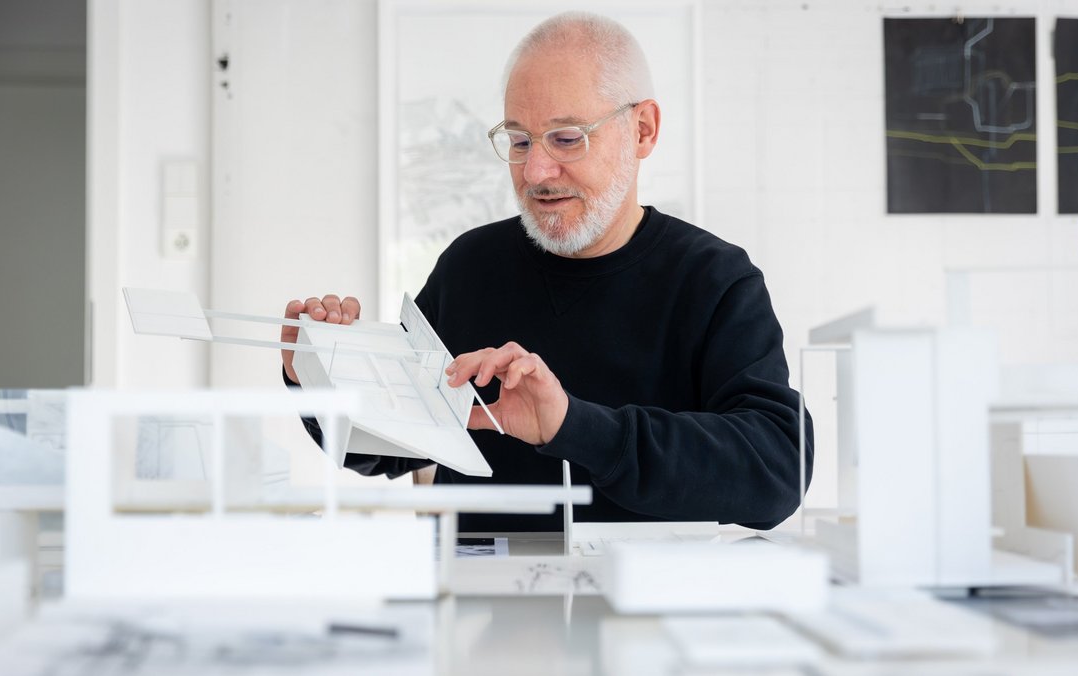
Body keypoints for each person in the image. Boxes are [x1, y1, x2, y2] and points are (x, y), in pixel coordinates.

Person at [282, 11, 813, 532]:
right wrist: (318, 373)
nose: (535, 172)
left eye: (565, 138)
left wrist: (572, 427)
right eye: (518, 141)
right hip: (480, 606)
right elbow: (385, 451)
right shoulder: (470, 268)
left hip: (645, 605)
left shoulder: (714, 281)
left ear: (643, 130)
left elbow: (775, 474)